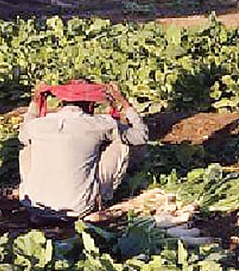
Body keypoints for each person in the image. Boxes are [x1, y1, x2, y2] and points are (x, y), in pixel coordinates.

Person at [18, 81, 148, 219]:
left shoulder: (37, 125)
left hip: (34, 205)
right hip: (79, 207)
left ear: (62, 103)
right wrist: (123, 101)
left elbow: (23, 132)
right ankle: (103, 196)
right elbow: (141, 136)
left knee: (27, 146)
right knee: (120, 144)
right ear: (91, 105)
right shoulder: (100, 124)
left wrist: (35, 101)